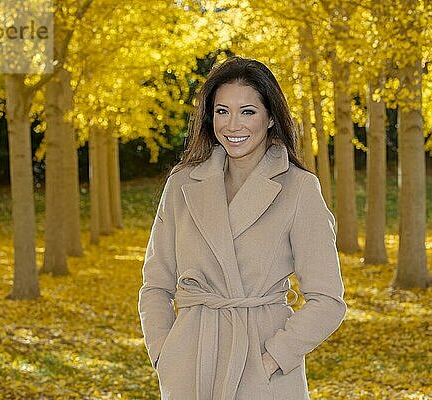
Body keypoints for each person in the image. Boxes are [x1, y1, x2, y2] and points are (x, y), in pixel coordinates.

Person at [137, 56, 347, 400]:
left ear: (270, 118)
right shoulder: (182, 184)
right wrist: (166, 354)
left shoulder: (299, 188)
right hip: (192, 365)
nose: (233, 125)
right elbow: (155, 285)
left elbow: (328, 301)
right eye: (222, 111)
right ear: (209, 117)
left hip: (263, 370)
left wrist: (272, 359)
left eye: (247, 111)